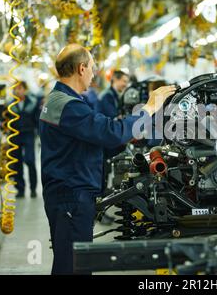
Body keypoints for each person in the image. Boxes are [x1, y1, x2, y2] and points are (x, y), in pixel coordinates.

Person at [39, 44, 175, 274]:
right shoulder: (68, 106)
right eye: (92, 67)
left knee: (70, 262)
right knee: (74, 266)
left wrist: (125, 136)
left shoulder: (59, 100)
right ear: (81, 68)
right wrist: (150, 108)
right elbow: (110, 133)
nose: (94, 73)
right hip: (71, 196)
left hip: (66, 193)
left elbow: (91, 140)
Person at [10, 81, 40, 198]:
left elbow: (38, 119)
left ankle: (33, 189)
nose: (18, 91)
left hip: (28, 134)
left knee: (30, 160)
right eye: (16, 89)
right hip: (15, 135)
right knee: (17, 162)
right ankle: (20, 189)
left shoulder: (32, 103)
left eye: (20, 88)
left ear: (25, 89)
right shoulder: (10, 104)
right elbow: (5, 120)